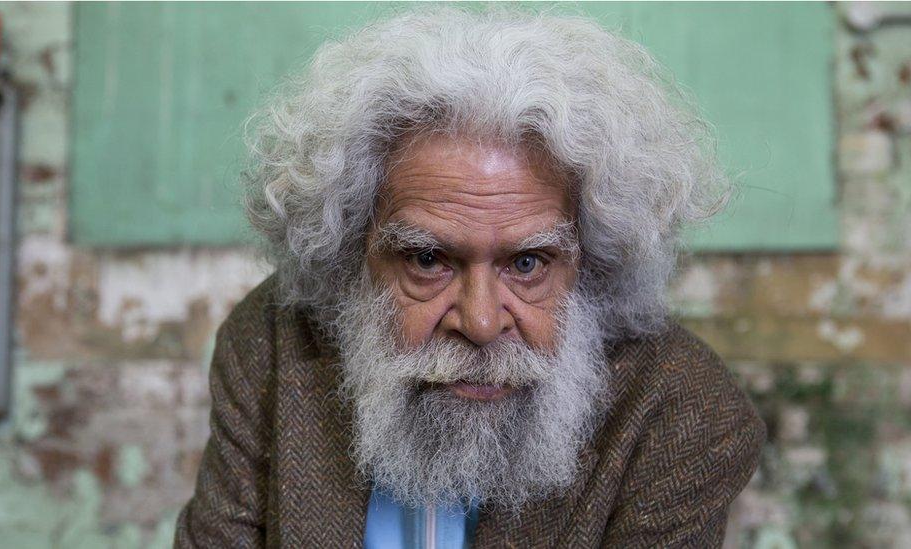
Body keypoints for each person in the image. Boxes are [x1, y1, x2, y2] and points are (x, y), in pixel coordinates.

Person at [175, 7, 765, 548]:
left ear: (591, 262)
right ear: (351, 250)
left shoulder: (684, 410)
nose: (481, 323)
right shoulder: (269, 342)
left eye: (528, 264)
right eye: (427, 261)